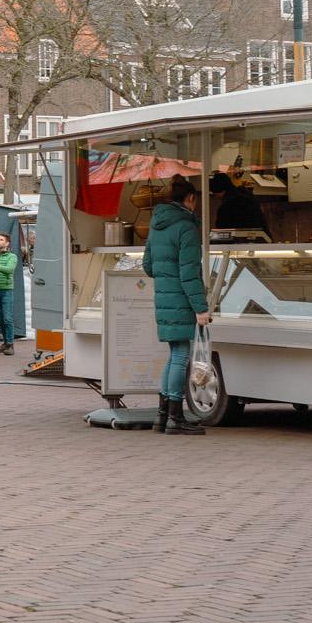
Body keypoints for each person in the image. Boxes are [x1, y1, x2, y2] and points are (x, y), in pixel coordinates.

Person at [143, 177, 210, 435]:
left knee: (174, 355)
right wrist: (201, 308)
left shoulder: (157, 224)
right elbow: (190, 274)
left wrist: (165, 278)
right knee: (181, 357)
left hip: (164, 297)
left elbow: (148, 266)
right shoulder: (187, 228)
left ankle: (163, 416)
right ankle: (176, 417)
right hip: (182, 299)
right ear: (190, 199)